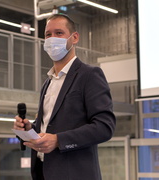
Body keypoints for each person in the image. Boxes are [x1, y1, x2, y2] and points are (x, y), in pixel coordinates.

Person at [14, 14, 116, 180]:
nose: (52, 39)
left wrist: (58, 140)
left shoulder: (89, 75)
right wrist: (28, 129)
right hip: (43, 173)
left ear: (74, 37)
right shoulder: (48, 83)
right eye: (48, 35)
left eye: (59, 33)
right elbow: (47, 129)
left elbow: (105, 127)